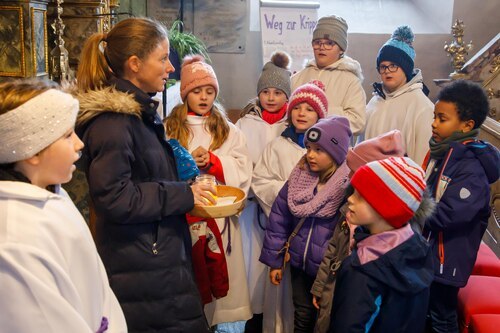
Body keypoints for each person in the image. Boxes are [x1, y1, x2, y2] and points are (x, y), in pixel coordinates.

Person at [75, 18, 213, 332]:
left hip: (153, 259)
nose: (171, 68)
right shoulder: (114, 122)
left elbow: (144, 176)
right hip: (142, 268)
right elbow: (116, 197)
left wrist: (187, 180)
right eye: (163, 58)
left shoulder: (135, 113)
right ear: (135, 64)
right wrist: (183, 195)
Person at [0, 79, 127, 333]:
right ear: (32, 151)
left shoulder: (50, 192)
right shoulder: (15, 243)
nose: (79, 144)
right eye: (68, 135)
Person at [164, 55, 254, 327]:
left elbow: (244, 168)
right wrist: (187, 162)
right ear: (185, 94)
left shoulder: (228, 130)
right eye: (196, 91)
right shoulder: (170, 127)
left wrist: (214, 162)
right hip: (186, 214)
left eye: (209, 91)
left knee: (221, 287)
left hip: (220, 217)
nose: (204, 97)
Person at [260, 115, 352, 332]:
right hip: (299, 265)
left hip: (327, 270)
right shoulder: (299, 177)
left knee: (325, 318)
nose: (310, 155)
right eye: (309, 148)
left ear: (336, 153)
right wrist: (275, 260)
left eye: (319, 150)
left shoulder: (347, 187)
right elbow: (278, 219)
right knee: (301, 315)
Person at [423, 80, 499, 333]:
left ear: (467, 125)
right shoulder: (445, 152)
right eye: (435, 117)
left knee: (442, 317)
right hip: (432, 252)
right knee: (427, 312)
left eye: (442, 119)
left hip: (448, 258)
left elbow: (450, 214)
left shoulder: (471, 168)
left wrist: (409, 208)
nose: (434, 123)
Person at [311, 129, 406, 333]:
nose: (350, 177)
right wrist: (320, 287)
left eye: (356, 173)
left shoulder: (386, 234)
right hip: (333, 291)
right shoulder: (351, 209)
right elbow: (333, 248)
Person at [252, 80, 327, 333]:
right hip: (285, 229)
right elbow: (260, 181)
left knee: (308, 303)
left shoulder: (326, 152)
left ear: (320, 115)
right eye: (297, 107)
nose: (302, 113)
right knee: (285, 300)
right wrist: (289, 193)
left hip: (314, 239)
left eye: (309, 108)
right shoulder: (277, 146)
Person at [329, 157, 435, 333]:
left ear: (387, 207)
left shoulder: (363, 269)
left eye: (361, 196)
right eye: (353, 191)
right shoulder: (418, 249)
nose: (350, 199)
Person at [235, 50, 292, 332]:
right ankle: (251, 319)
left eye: (278, 92)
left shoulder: (291, 127)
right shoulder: (245, 123)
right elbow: (237, 158)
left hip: (278, 211)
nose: (271, 97)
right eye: (265, 91)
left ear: (287, 96)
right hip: (250, 209)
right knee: (250, 268)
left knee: (274, 270)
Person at [363, 25, 434, 165]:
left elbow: (423, 158)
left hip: (402, 183)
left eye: (393, 65)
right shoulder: (374, 102)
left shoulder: (422, 106)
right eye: (383, 66)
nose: (387, 71)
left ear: (406, 68)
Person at [291, 15, 366, 136]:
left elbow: (358, 122)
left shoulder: (351, 80)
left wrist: (320, 114)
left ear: (341, 49)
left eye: (329, 43)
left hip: (331, 150)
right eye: (317, 42)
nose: (322, 48)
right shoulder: (297, 78)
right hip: (296, 147)